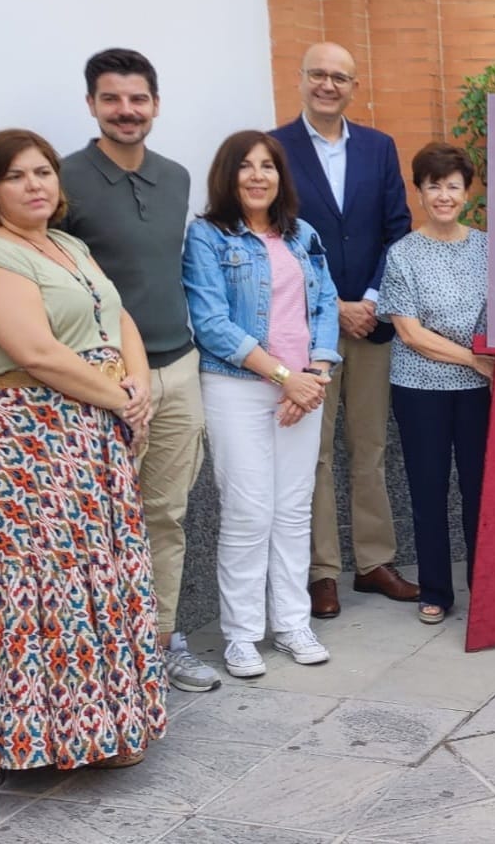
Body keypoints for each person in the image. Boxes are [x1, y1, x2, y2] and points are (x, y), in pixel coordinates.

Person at [0, 129, 165, 769]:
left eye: (43, 171)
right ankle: (62, 739)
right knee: (58, 588)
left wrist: (138, 382)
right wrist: (118, 396)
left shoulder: (65, 245)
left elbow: (119, 316)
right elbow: (36, 354)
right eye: (16, 176)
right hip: (32, 437)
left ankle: (117, 728)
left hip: (92, 425)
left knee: (108, 576)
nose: (35, 184)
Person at [58, 48, 219, 694]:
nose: (126, 111)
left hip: (178, 367)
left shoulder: (177, 176)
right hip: (105, 383)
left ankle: (160, 640)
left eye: (138, 99)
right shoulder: (64, 179)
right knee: (101, 521)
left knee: (166, 513)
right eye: (112, 99)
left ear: (155, 103)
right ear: (92, 104)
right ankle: (110, 656)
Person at [183, 130, 341, 678]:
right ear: (228, 176)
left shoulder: (303, 236)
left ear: (281, 177)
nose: (257, 175)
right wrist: (282, 376)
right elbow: (211, 323)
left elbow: (323, 307)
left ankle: (293, 622)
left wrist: (314, 375)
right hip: (238, 387)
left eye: (267, 166)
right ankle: (243, 635)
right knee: (249, 512)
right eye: (245, 166)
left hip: (306, 386)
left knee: (293, 511)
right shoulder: (207, 236)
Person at [270, 42, 416, 618]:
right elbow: (275, 234)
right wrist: (337, 302)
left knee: (370, 445)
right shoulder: (275, 148)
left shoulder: (379, 148)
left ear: (355, 87)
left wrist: (372, 300)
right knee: (315, 451)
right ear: (302, 80)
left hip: (372, 324)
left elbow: (396, 230)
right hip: (306, 330)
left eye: (340, 77)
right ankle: (322, 570)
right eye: (318, 75)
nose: (328, 85)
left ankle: (373, 562)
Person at [378, 143, 495, 625]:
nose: (443, 196)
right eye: (433, 186)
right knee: (427, 490)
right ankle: (436, 591)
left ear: (466, 192)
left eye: (453, 186)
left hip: (478, 394)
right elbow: (410, 332)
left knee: (480, 488)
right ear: (419, 192)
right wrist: (476, 361)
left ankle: (486, 585)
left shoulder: (489, 248)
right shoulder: (403, 254)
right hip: (419, 388)